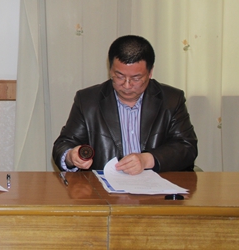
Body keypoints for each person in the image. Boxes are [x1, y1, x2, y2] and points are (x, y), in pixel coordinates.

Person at [52, 35, 198, 175]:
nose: (127, 85)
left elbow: (187, 147)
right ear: (110, 70)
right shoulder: (87, 101)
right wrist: (71, 156)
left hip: (156, 186)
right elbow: (63, 145)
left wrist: (147, 159)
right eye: (120, 76)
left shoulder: (171, 100)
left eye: (136, 78)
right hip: (104, 187)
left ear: (150, 72)